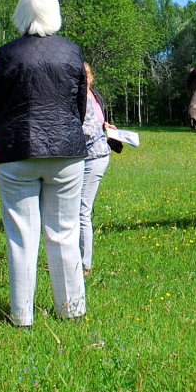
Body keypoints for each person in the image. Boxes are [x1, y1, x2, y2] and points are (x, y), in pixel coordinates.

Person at [0, 0, 88, 327]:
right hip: (66, 151)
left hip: (15, 149)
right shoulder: (72, 53)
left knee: (21, 236)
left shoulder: (5, 54)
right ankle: (71, 310)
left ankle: (22, 316)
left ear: (20, 14)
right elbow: (80, 107)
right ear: (54, 13)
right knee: (64, 232)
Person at [79, 63, 114, 277]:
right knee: (76, 210)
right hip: (87, 156)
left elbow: (88, 130)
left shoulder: (89, 97)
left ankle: (83, 265)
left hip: (95, 157)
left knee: (81, 210)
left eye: (87, 77)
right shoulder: (81, 96)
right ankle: (76, 260)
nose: (85, 81)